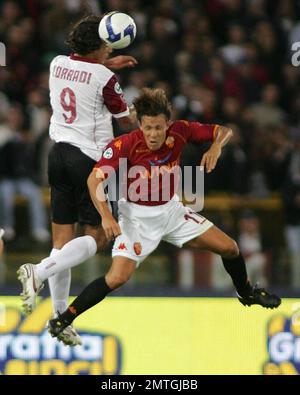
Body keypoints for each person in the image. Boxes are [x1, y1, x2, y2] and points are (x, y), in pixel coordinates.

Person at [22, 87, 280, 339]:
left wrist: (215, 147)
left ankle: (246, 293)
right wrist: (107, 216)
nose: (153, 134)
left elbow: (224, 131)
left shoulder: (181, 131)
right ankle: (64, 319)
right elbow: (93, 181)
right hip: (135, 218)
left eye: (158, 127)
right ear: (140, 126)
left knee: (231, 247)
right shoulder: (124, 144)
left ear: (167, 124)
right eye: (148, 128)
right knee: (117, 277)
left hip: (171, 212)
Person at [17, 15, 137, 346]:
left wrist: (107, 63)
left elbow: (81, 70)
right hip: (90, 162)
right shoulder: (105, 78)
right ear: (99, 46)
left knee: (63, 245)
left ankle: (58, 316)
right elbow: (125, 122)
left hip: (57, 156)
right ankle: (38, 272)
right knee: (97, 238)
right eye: (106, 45)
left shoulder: (56, 63)